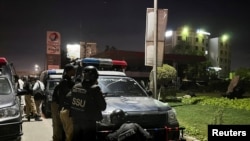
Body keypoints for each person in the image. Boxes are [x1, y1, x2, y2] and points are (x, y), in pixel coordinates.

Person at [70, 65, 106, 141]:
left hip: (76, 121)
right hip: (89, 123)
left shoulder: (76, 87)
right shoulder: (95, 89)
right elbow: (103, 107)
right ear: (93, 77)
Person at [58, 64, 76, 141]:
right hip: (66, 109)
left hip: (64, 108)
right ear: (69, 71)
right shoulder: (65, 81)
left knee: (66, 131)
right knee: (69, 133)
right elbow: (68, 94)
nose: (74, 71)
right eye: (73, 70)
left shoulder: (66, 80)